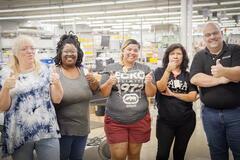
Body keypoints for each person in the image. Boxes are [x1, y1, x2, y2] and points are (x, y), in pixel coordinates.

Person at [0, 35, 63, 160]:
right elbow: (2, 107)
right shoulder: (6, 74)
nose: (30, 51)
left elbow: (57, 99)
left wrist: (57, 83)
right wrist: (6, 88)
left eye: (32, 48)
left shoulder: (45, 70)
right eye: (24, 49)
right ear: (16, 53)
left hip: (47, 129)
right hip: (19, 132)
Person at [190, 22, 240, 160]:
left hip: (236, 113)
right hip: (210, 114)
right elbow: (195, 78)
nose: (212, 37)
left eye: (215, 33)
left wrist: (224, 71)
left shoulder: (235, 50)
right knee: (217, 152)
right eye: (208, 34)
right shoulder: (200, 56)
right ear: (203, 38)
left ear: (221, 34)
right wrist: (222, 79)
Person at [100, 39, 156, 160]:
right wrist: (109, 82)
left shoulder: (145, 69)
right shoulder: (111, 68)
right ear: (123, 51)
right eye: (129, 49)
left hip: (139, 119)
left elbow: (151, 94)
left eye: (135, 50)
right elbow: (103, 93)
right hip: (116, 120)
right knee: (118, 156)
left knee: (134, 155)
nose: (132, 52)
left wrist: (149, 83)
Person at [54, 33, 99, 160]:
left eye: (73, 51)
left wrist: (94, 82)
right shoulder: (55, 72)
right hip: (63, 130)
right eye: (66, 52)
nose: (70, 54)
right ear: (60, 53)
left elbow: (94, 92)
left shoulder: (83, 71)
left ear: (78, 53)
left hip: (83, 128)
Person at [154, 43, 198, 160]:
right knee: (162, 154)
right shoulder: (159, 71)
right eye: (172, 53)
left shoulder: (188, 75)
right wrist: (168, 71)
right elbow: (161, 88)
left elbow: (192, 96)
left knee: (179, 153)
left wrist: (173, 94)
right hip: (165, 122)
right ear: (167, 56)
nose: (175, 56)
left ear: (183, 57)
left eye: (179, 53)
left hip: (186, 122)